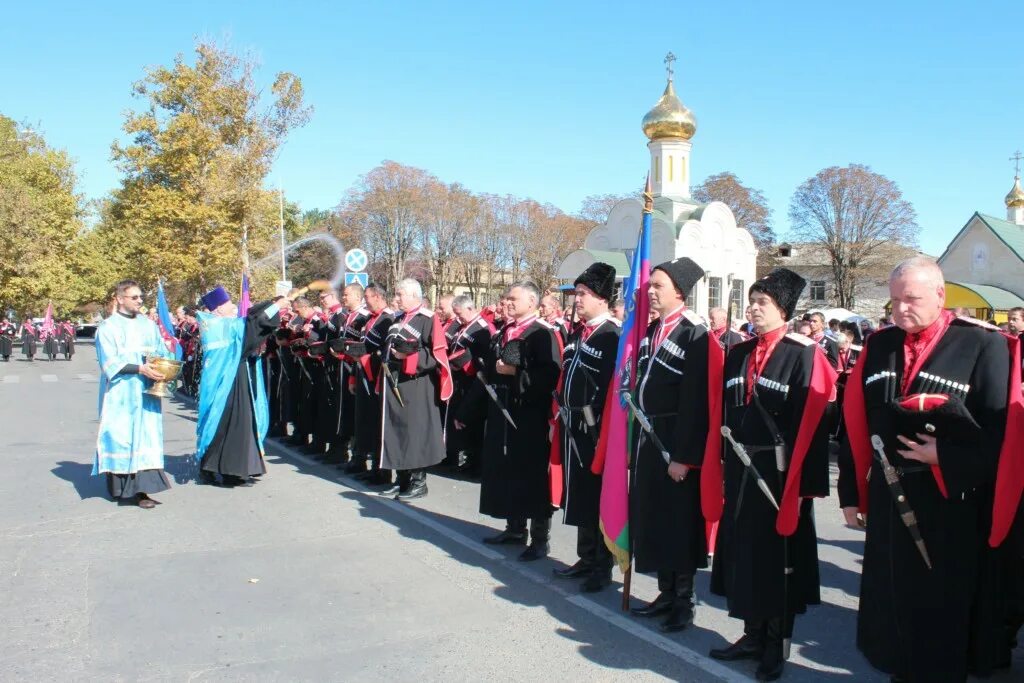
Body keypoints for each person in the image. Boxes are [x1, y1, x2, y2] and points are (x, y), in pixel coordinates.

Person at [838, 257, 1020, 681]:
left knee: (939, 610)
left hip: (949, 505)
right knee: (892, 602)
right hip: (888, 496)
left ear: (941, 295)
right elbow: (856, 424)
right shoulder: (880, 344)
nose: (901, 309)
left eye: (912, 299)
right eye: (895, 300)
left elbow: (1002, 433)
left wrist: (947, 455)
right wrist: (852, 493)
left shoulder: (982, 345)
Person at [709, 268, 837, 681]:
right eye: (752, 301)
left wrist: (806, 489)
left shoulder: (803, 353)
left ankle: (774, 644)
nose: (753, 308)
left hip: (781, 476)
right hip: (741, 471)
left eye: (762, 302)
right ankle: (750, 633)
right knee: (744, 556)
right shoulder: (738, 352)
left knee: (777, 562)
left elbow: (815, 424)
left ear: (783, 308)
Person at [627, 258, 717, 631]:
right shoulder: (650, 330)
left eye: (658, 286)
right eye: (650, 285)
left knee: (679, 523)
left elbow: (698, 402)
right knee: (655, 518)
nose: (650, 291)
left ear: (679, 291)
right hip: (649, 440)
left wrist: (684, 456)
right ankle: (664, 593)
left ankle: (683, 600)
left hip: (676, 444)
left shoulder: (695, 333)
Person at [473, 282, 561, 560]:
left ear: (532, 302)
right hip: (502, 409)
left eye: (514, 298)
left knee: (531, 475)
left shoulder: (542, 334)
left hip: (529, 414)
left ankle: (539, 539)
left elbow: (550, 376)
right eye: (507, 298)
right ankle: (514, 527)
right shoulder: (504, 330)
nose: (507, 302)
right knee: (507, 469)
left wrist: (516, 373)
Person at [551, 263, 620, 593]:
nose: (576, 300)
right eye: (576, 294)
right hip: (571, 426)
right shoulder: (578, 333)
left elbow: (613, 389)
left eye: (583, 294)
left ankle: (601, 565)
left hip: (595, 431)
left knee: (595, 497)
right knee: (577, 493)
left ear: (602, 299)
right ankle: (585, 556)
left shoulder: (612, 335)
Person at [93, 279, 172, 508]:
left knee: (146, 436)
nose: (139, 301)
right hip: (121, 393)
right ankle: (119, 486)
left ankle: (141, 490)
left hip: (146, 390)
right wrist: (139, 368)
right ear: (120, 299)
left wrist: (163, 365)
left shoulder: (149, 325)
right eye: (134, 297)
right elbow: (109, 362)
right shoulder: (108, 327)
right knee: (122, 436)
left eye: (140, 297)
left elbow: (160, 350)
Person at [195, 285, 284, 487]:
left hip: (235, 377)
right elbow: (251, 329)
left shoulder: (221, 323)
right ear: (217, 309)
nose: (233, 306)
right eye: (227, 303)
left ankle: (227, 468)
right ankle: (228, 471)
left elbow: (247, 336)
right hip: (227, 383)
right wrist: (274, 307)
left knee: (236, 423)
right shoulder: (218, 326)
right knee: (230, 423)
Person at [377, 278, 452, 500]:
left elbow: (436, 355)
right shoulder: (396, 319)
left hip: (417, 384)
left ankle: (419, 482)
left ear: (413, 295)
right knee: (397, 431)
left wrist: (409, 358)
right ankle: (401, 481)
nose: (396, 298)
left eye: (400, 294)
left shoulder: (428, 319)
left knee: (414, 434)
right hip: (393, 381)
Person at [346, 284, 396, 482]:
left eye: (366, 297)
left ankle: (381, 471)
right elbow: (361, 346)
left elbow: (383, 352)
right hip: (362, 373)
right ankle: (368, 464)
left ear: (377, 296)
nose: (364, 301)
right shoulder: (369, 319)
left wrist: (366, 360)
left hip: (377, 377)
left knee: (377, 424)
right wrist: (353, 376)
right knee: (365, 422)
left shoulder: (388, 319)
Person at [446, 294, 494, 474]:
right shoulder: (463, 326)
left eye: (459, 314)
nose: (457, 318)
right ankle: (468, 457)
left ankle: (476, 461)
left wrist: (470, 362)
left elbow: (485, 356)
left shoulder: (482, 328)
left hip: (475, 380)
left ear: (469, 308)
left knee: (473, 420)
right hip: (460, 378)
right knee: (462, 420)